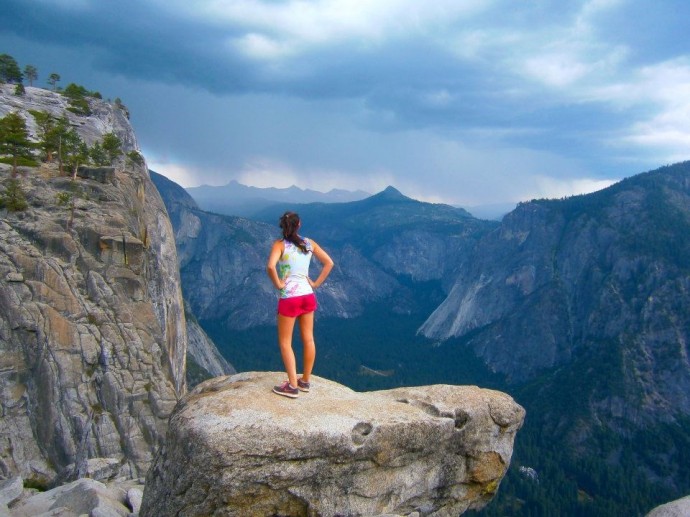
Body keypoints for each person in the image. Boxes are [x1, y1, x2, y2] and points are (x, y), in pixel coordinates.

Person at [266, 211, 334, 398]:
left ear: (283, 226)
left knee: (285, 342)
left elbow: (271, 266)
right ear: (299, 225)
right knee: (308, 339)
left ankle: (292, 386)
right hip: (307, 295)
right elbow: (329, 263)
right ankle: (305, 381)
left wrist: (279, 284)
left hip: (290, 297)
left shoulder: (279, 245)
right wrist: (316, 283)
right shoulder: (309, 244)